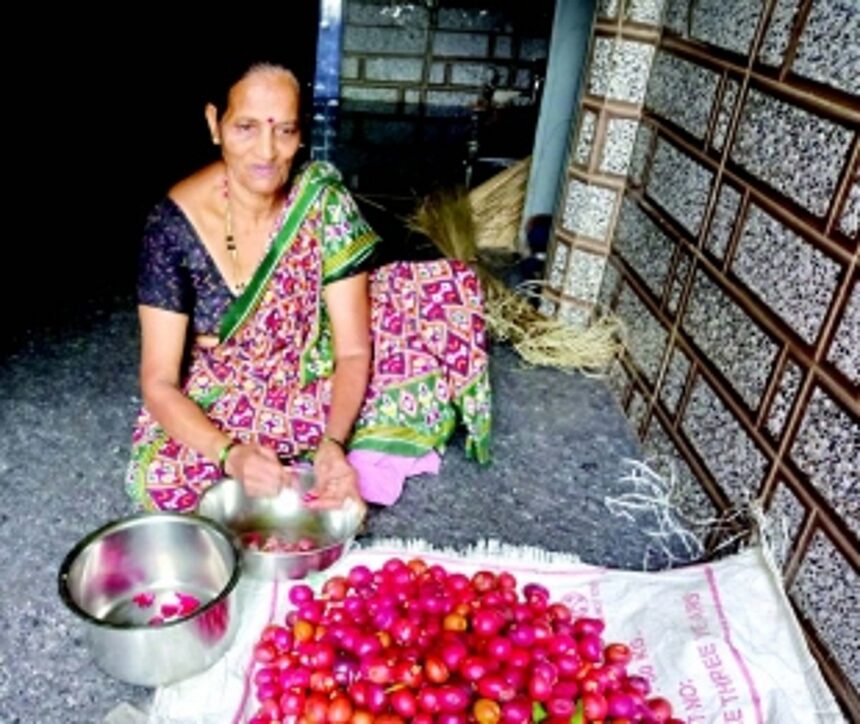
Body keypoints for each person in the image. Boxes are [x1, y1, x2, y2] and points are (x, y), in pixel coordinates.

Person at [126, 62, 491, 514]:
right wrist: (230, 453)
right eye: (246, 127)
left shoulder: (321, 203)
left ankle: (318, 456)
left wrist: (333, 443)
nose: (267, 152)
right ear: (213, 124)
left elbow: (353, 353)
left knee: (411, 375)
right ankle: (278, 457)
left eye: (285, 131)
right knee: (162, 482)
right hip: (225, 387)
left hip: (309, 370)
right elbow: (159, 381)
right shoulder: (172, 226)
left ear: (301, 135)